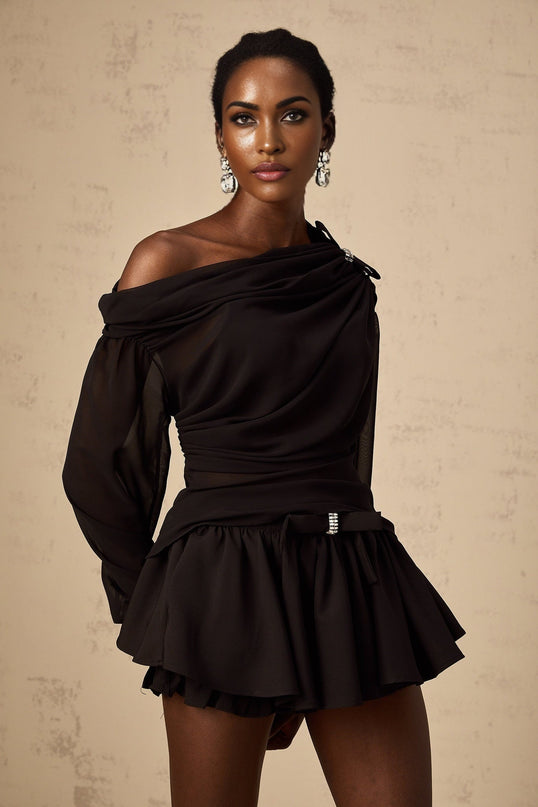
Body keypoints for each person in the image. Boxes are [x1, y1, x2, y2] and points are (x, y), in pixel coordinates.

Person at [62, 28, 465, 807]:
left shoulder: (348, 283)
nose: (269, 139)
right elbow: (100, 464)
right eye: (244, 118)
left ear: (327, 130)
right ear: (219, 134)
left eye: (293, 114)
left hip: (351, 574)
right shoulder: (167, 262)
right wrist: (153, 603)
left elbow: (353, 456)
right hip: (221, 585)